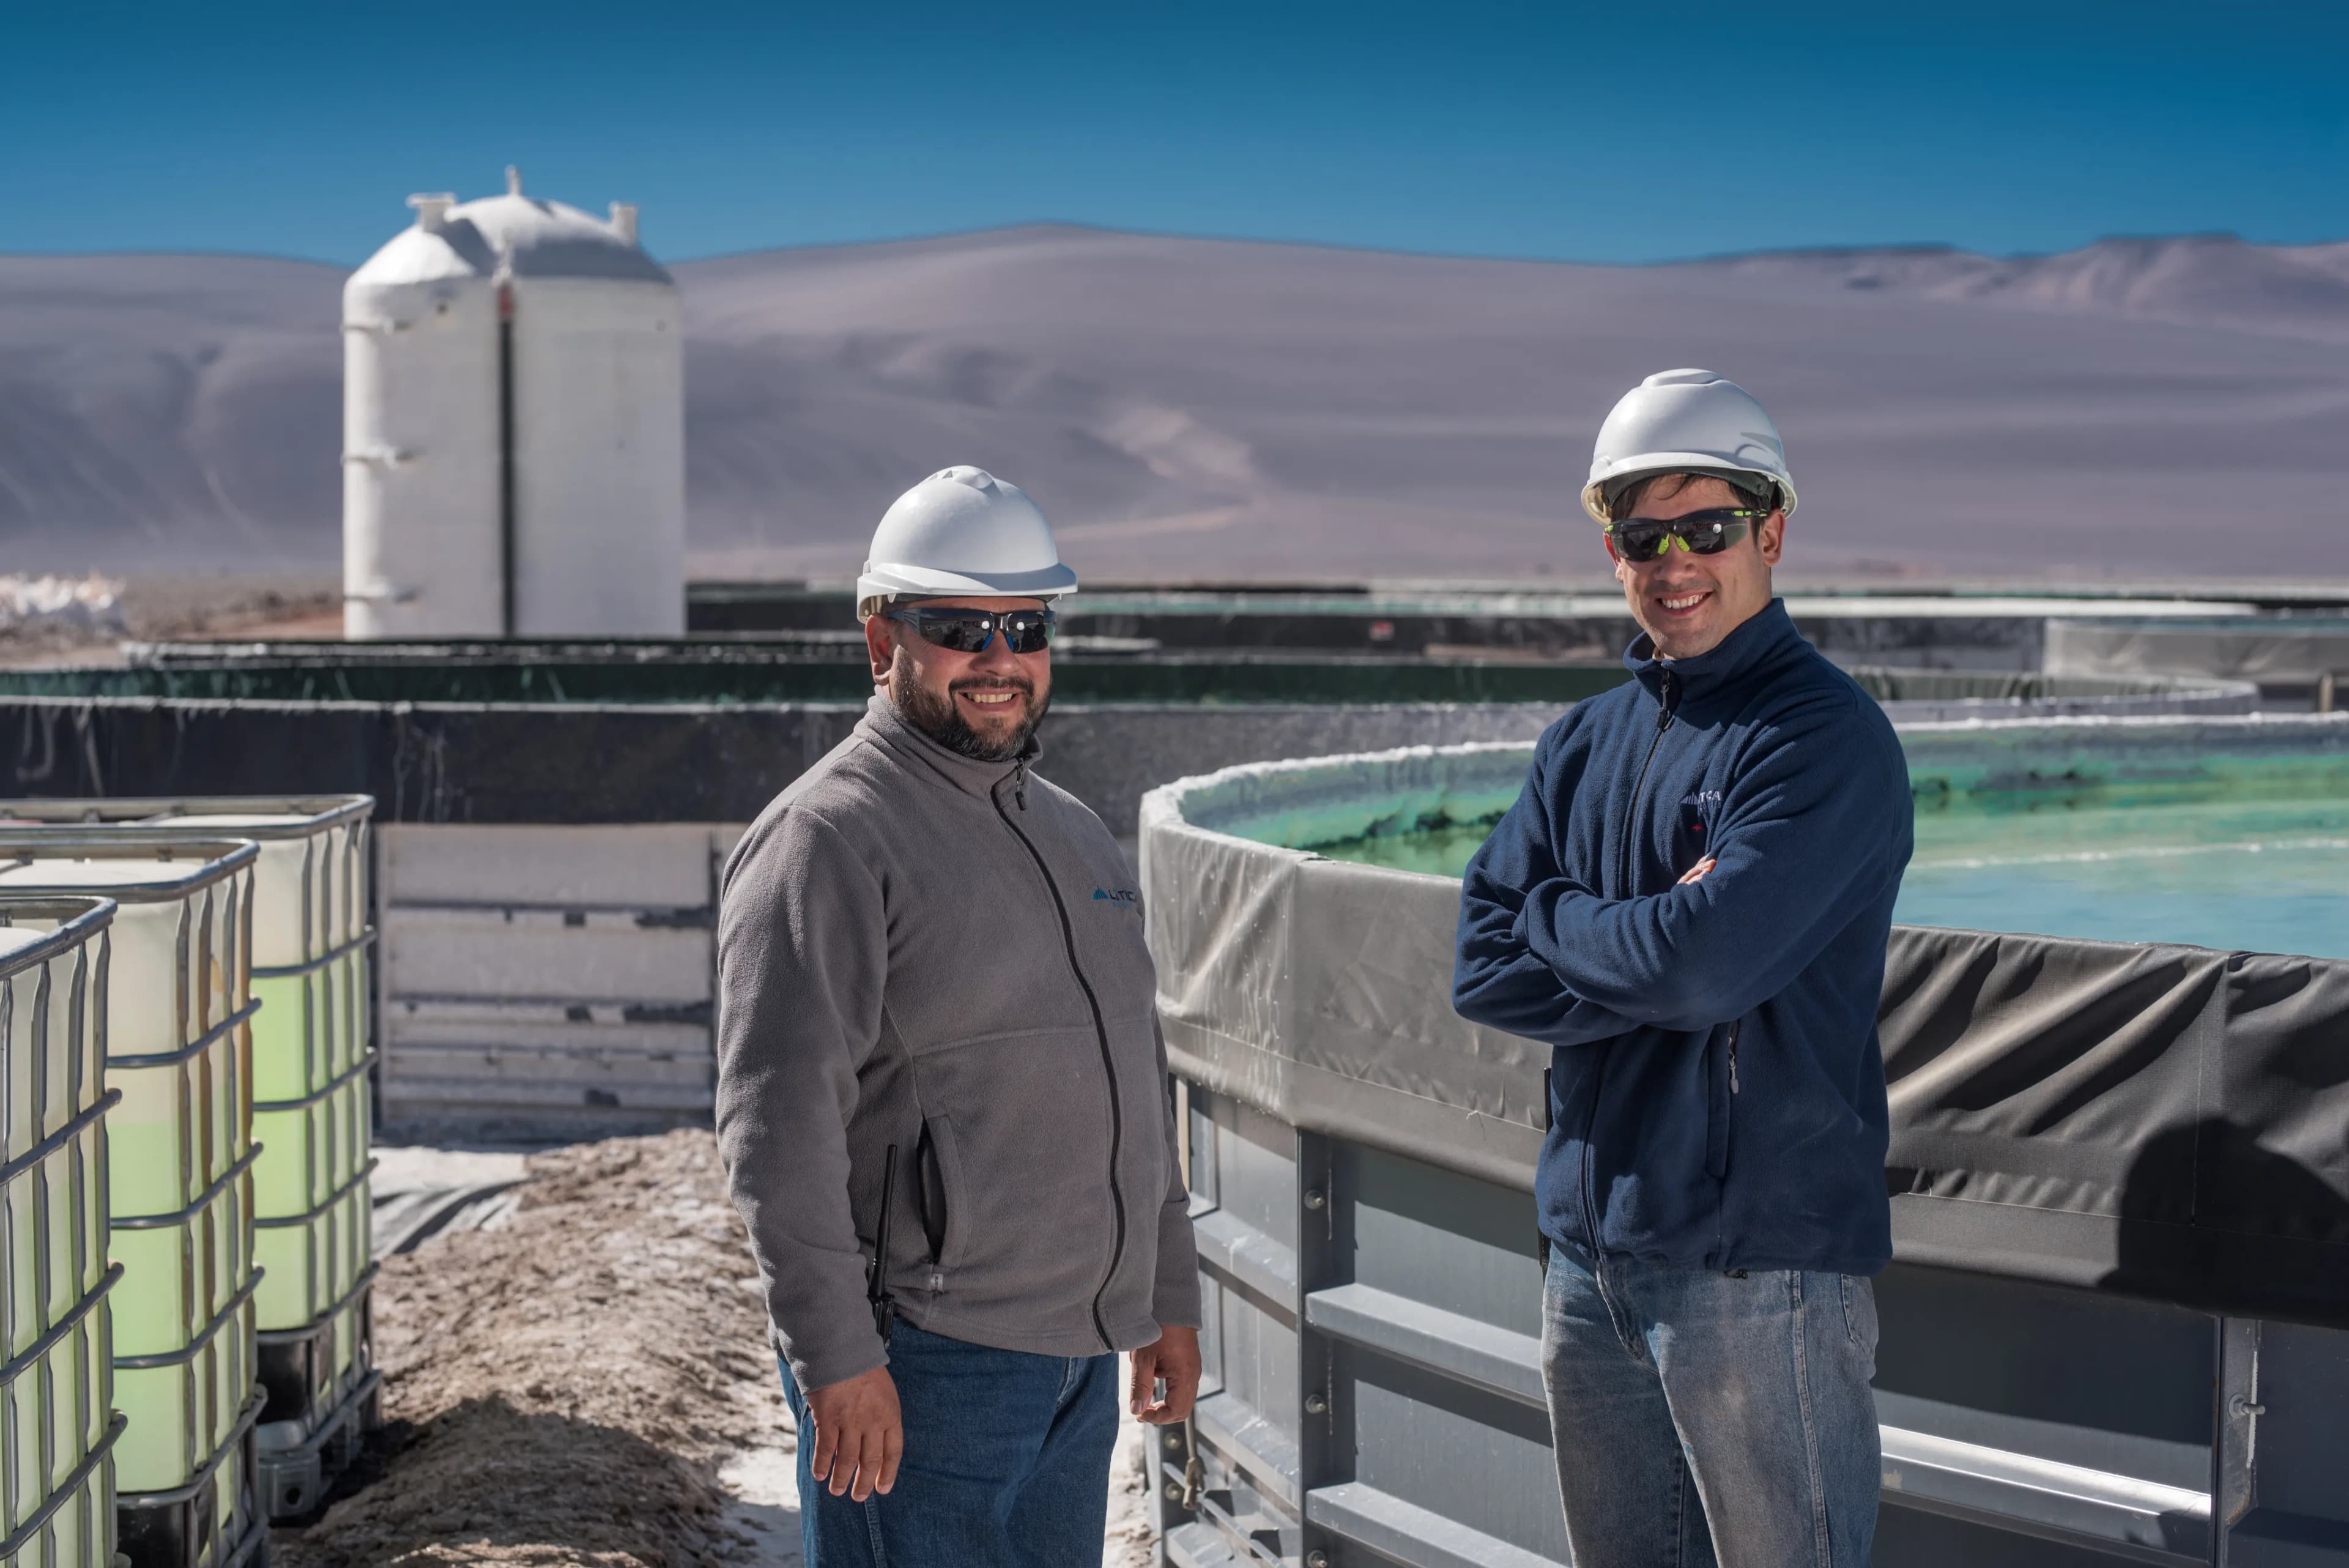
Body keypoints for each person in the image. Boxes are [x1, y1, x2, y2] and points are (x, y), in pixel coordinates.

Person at [1452, 370, 1911, 1567]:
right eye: (1641, 536)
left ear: (1771, 532)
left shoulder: (1822, 740)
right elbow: (1483, 964)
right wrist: (1649, 940)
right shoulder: (1582, 742)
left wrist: (1563, 914)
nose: (1675, 563)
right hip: (1589, 1264)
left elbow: (1700, 976)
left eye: (1707, 527)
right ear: (1611, 550)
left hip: (1757, 1275)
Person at [716, 465, 1202, 1567]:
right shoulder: (826, 840)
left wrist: (1163, 1293)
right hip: (926, 1366)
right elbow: (776, 1132)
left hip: (1077, 1365)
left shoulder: (1075, 834)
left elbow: (1137, 1077)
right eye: (958, 628)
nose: (999, 658)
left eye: (1024, 627)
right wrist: (837, 1359)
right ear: (881, 641)